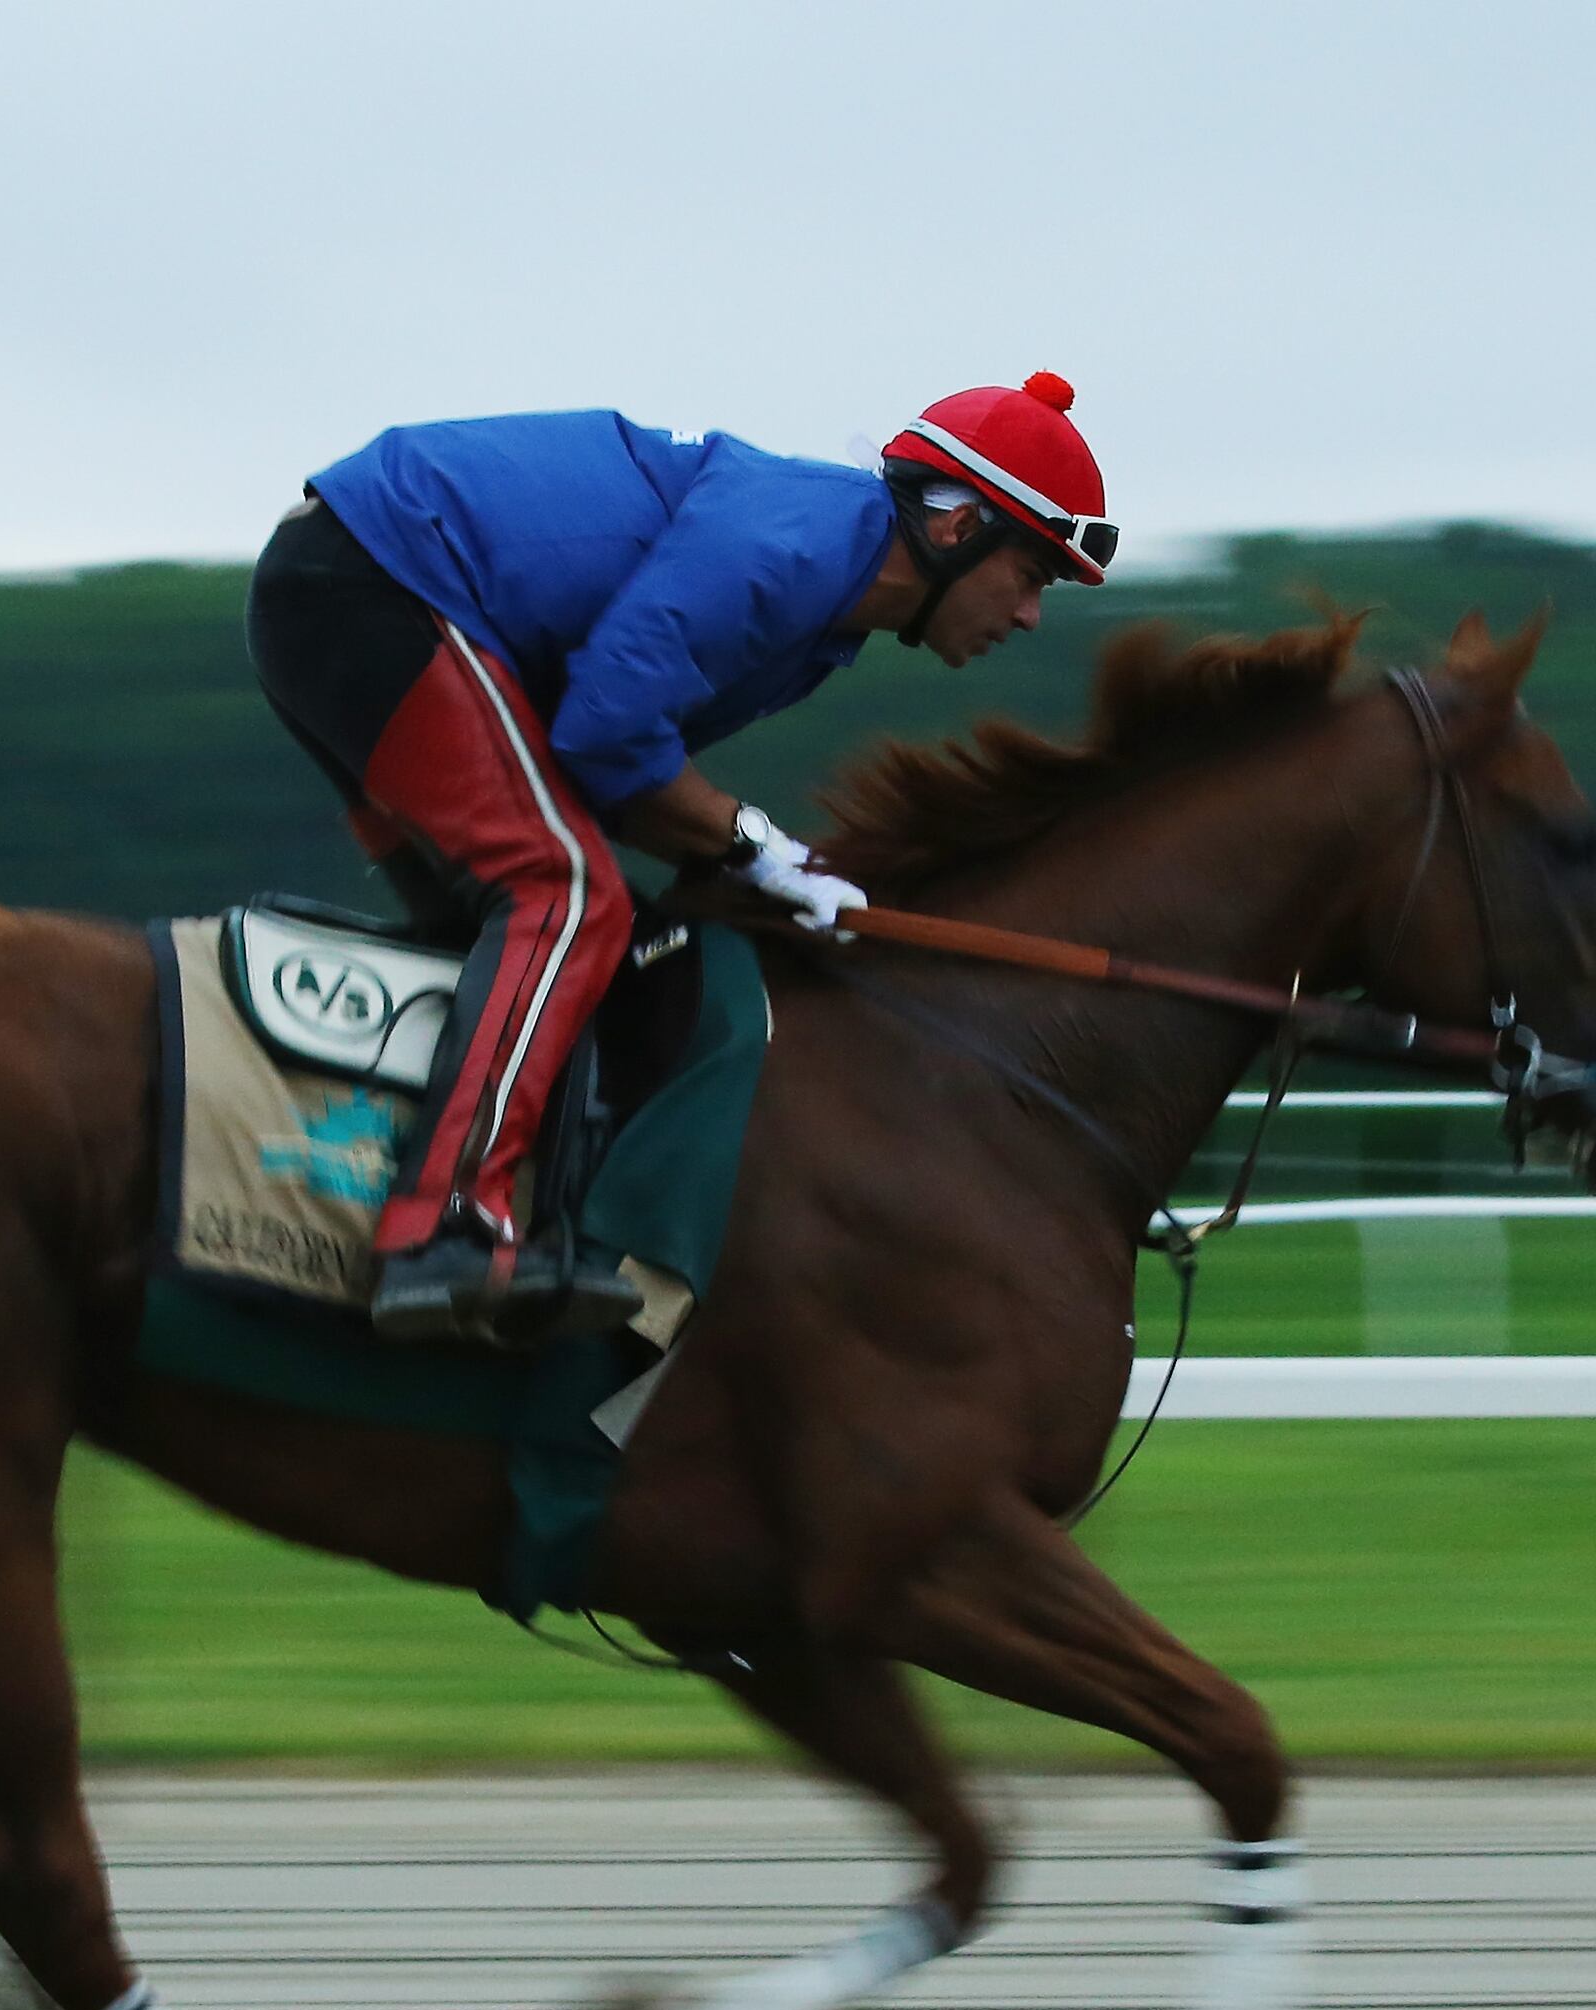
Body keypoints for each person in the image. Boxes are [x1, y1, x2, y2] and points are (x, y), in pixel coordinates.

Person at [247, 372, 1118, 1346]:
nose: (1033, 613)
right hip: (376, 583)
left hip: (357, 583)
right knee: (566, 895)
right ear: (960, 529)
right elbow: (604, 735)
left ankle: (416, 1201)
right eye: (1034, 575)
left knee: (539, 929)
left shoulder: (827, 614)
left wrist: (759, 862)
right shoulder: (793, 546)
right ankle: (443, 1229)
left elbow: (621, 773)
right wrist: (757, 844)